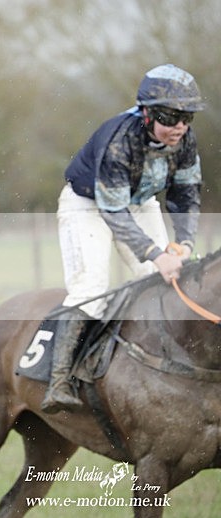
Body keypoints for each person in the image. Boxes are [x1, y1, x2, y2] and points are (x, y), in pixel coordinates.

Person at [43, 64, 204, 414]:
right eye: (171, 116)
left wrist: (185, 244)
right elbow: (112, 212)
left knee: (159, 284)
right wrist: (155, 253)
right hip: (88, 204)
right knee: (92, 289)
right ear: (147, 113)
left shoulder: (184, 140)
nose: (180, 126)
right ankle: (59, 380)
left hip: (137, 199)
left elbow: (187, 196)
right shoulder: (120, 140)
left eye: (187, 117)